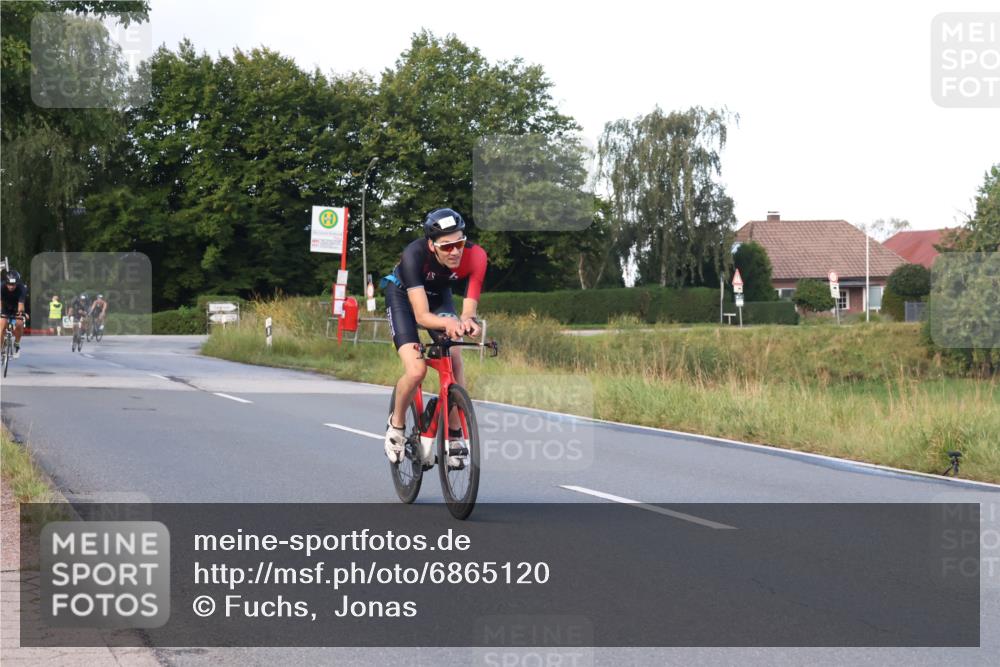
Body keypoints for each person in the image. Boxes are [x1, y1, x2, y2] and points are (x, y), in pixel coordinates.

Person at [381, 208, 486, 467]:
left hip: (439, 297)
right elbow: (421, 315)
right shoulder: (413, 255)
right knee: (416, 370)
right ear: (431, 245)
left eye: (459, 243)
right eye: (447, 246)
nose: (455, 252)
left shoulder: (477, 257)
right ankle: (396, 424)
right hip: (404, 298)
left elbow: (468, 310)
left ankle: (454, 434)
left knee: (455, 356)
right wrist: (450, 322)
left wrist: (468, 322)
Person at [1, 270, 29, 358]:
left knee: (19, 323)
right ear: (5, 283)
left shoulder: (22, 288)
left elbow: (21, 305)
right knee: (1, 326)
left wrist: (22, 314)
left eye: (13, 284)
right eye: (9, 284)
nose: (11, 287)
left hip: (16, 307)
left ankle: (16, 344)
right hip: (5, 307)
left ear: (17, 283)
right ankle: (2, 347)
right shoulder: (1, 287)